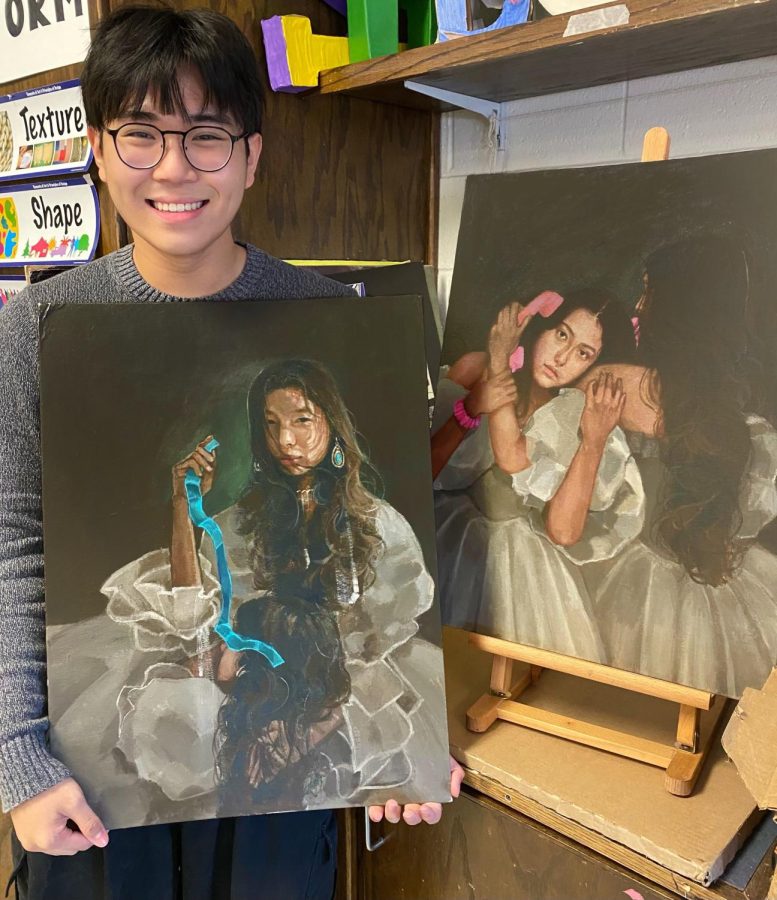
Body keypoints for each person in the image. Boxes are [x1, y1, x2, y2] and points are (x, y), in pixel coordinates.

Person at [0, 7, 463, 898]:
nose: (174, 168)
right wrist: (19, 757)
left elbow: (377, 592)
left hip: (282, 774)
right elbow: (16, 550)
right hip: (98, 792)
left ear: (251, 155)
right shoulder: (36, 328)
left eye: (206, 137)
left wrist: (400, 748)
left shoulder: (332, 315)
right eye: (141, 135)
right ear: (98, 148)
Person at [46, 358, 448, 828]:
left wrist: (314, 718)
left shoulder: (380, 526)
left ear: (332, 424)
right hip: (248, 676)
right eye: (272, 425)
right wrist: (183, 507)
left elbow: (377, 644)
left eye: (302, 420)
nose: (286, 442)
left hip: (340, 684)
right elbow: (193, 619)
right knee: (178, 726)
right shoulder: (240, 521)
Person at [578, 234, 777, 696]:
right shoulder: (739, 418)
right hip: (726, 587)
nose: (639, 305)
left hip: (634, 591)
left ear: (678, 307)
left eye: (650, 291)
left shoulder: (612, 384)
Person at [433, 289, 642, 659]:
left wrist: (592, 441)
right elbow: (423, 470)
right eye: (561, 334)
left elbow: (564, 531)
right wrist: (473, 402)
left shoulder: (578, 421)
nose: (560, 358)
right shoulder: (477, 370)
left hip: (524, 572)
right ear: (541, 327)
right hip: (455, 540)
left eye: (583, 353)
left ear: (596, 366)